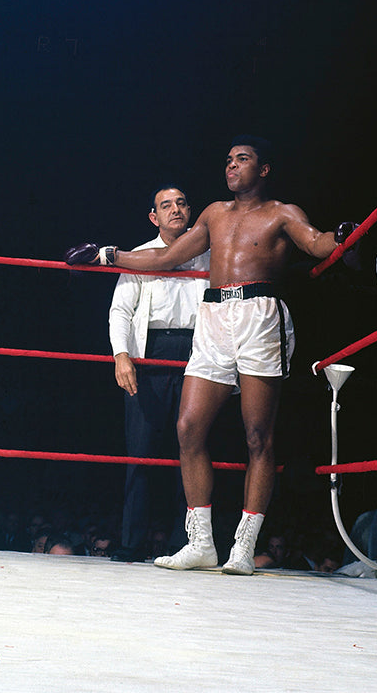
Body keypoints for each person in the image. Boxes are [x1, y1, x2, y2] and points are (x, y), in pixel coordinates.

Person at [66, 136, 356, 575]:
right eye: (228, 160)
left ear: (263, 169)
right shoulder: (214, 214)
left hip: (260, 315)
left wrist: (345, 236)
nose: (232, 166)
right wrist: (109, 256)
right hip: (214, 316)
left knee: (258, 434)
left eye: (243, 159)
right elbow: (167, 257)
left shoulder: (282, 212)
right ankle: (201, 543)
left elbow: (317, 244)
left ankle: (244, 545)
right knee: (188, 426)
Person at [107, 184, 210, 561]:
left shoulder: (208, 256)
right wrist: (121, 355)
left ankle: (188, 544)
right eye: (166, 205)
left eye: (182, 202)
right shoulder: (138, 256)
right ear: (154, 216)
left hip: (198, 353)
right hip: (148, 355)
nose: (175, 209)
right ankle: (131, 543)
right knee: (141, 452)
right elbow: (121, 310)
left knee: (194, 450)